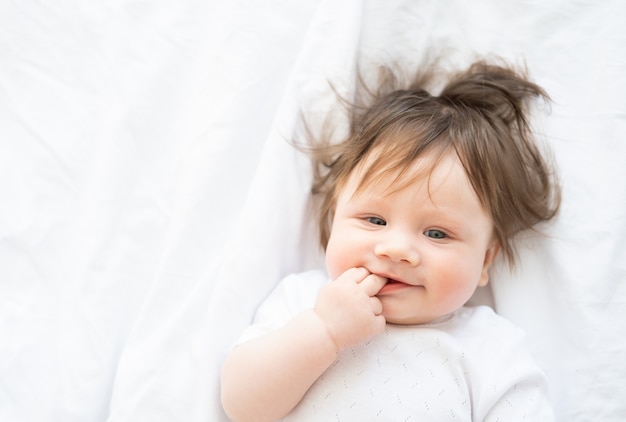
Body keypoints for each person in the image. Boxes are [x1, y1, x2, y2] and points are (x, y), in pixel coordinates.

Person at [220, 57, 561, 421]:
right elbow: (241, 405)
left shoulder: (491, 347)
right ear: (335, 220)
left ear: (485, 261)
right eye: (375, 219)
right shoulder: (303, 301)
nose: (397, 249)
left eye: (436, 233)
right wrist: (324, 330)